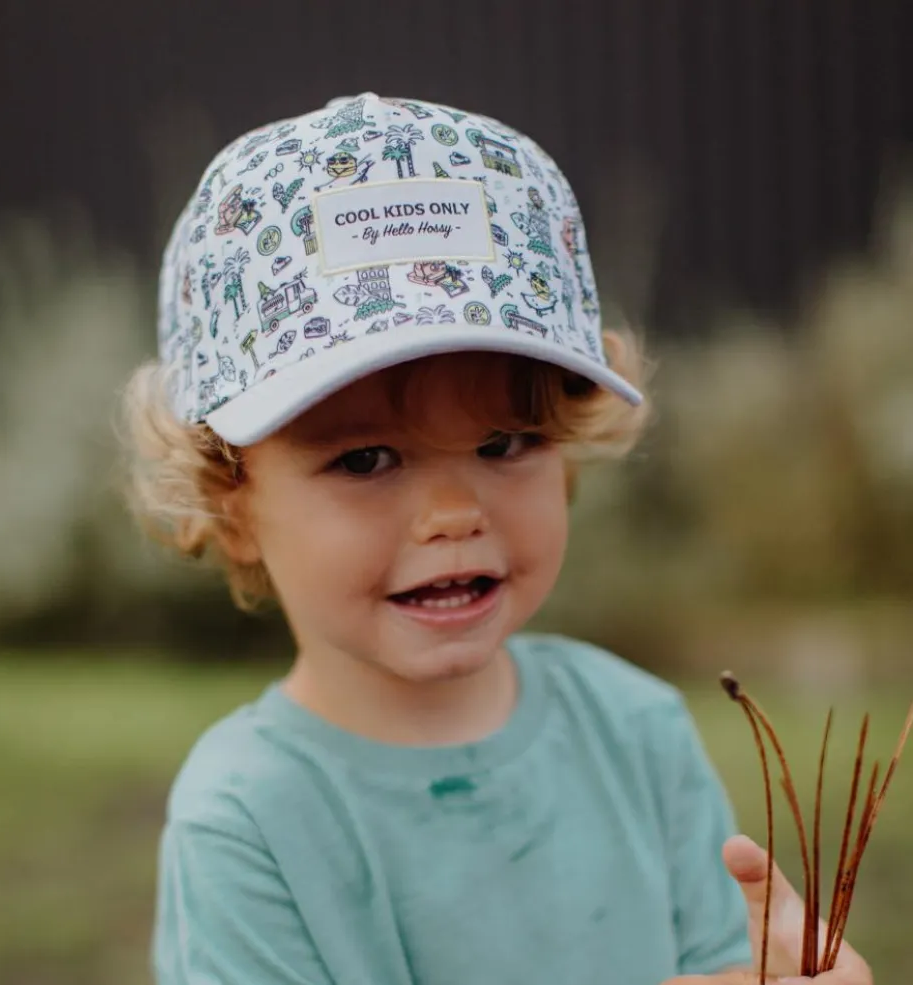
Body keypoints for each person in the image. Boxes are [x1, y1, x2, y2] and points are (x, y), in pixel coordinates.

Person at [121, 93, 873, 985]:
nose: (452, 513)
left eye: (505, 443)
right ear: (230, 503)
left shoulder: (635, 733)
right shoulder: (249, 818)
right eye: (365, 458)